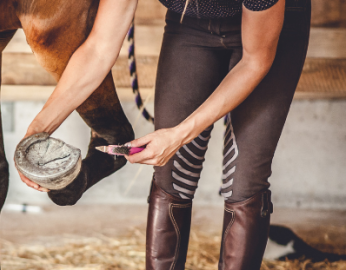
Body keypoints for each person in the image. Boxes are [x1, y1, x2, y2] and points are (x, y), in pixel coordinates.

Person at [17, 0, 310, 268]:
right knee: (171, 175)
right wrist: (39, 128)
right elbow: (99, 47)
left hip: (269, 34)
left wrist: (179, 134)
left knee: (243, 182)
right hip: (191, 25)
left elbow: (255, 62)